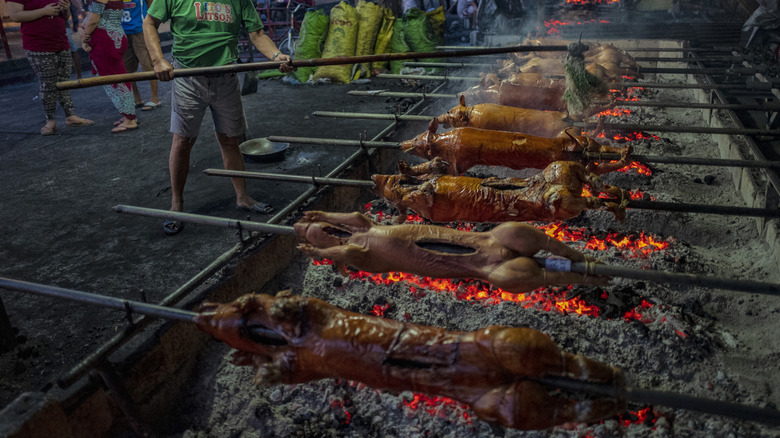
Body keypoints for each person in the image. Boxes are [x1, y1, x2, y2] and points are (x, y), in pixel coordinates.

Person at [143, 0, 294, 236]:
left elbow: (256, 33)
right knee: (182, 142)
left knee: (230, 140)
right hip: (187, 77)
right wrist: (158, 60)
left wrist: (276, 56)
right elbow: (149, 22)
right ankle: (176, 205)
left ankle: (242, 197)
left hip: (226, 75)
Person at [7, 0, 94, 135]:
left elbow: (65, 17)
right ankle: (50, 121)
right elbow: (15, 16)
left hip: (60, 41)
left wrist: (66, 9)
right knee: (48, 84)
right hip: (37, 44)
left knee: (64, 82)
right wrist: (43, 11)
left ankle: (70, 116)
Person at [80, 0, 138, 133]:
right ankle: (128, 115)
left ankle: (130, 119)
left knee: (114, 80)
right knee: (119, 77)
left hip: (106, 40)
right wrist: (82, 27)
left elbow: (93, 20)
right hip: (114, 36)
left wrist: (85, 37)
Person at [121, 0, 161, 111]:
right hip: (123, 31)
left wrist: (151, 28)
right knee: (127, 68)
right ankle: (136, 98)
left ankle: (155, 98)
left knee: (148, 65)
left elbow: (152, 5)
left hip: (140, 29)